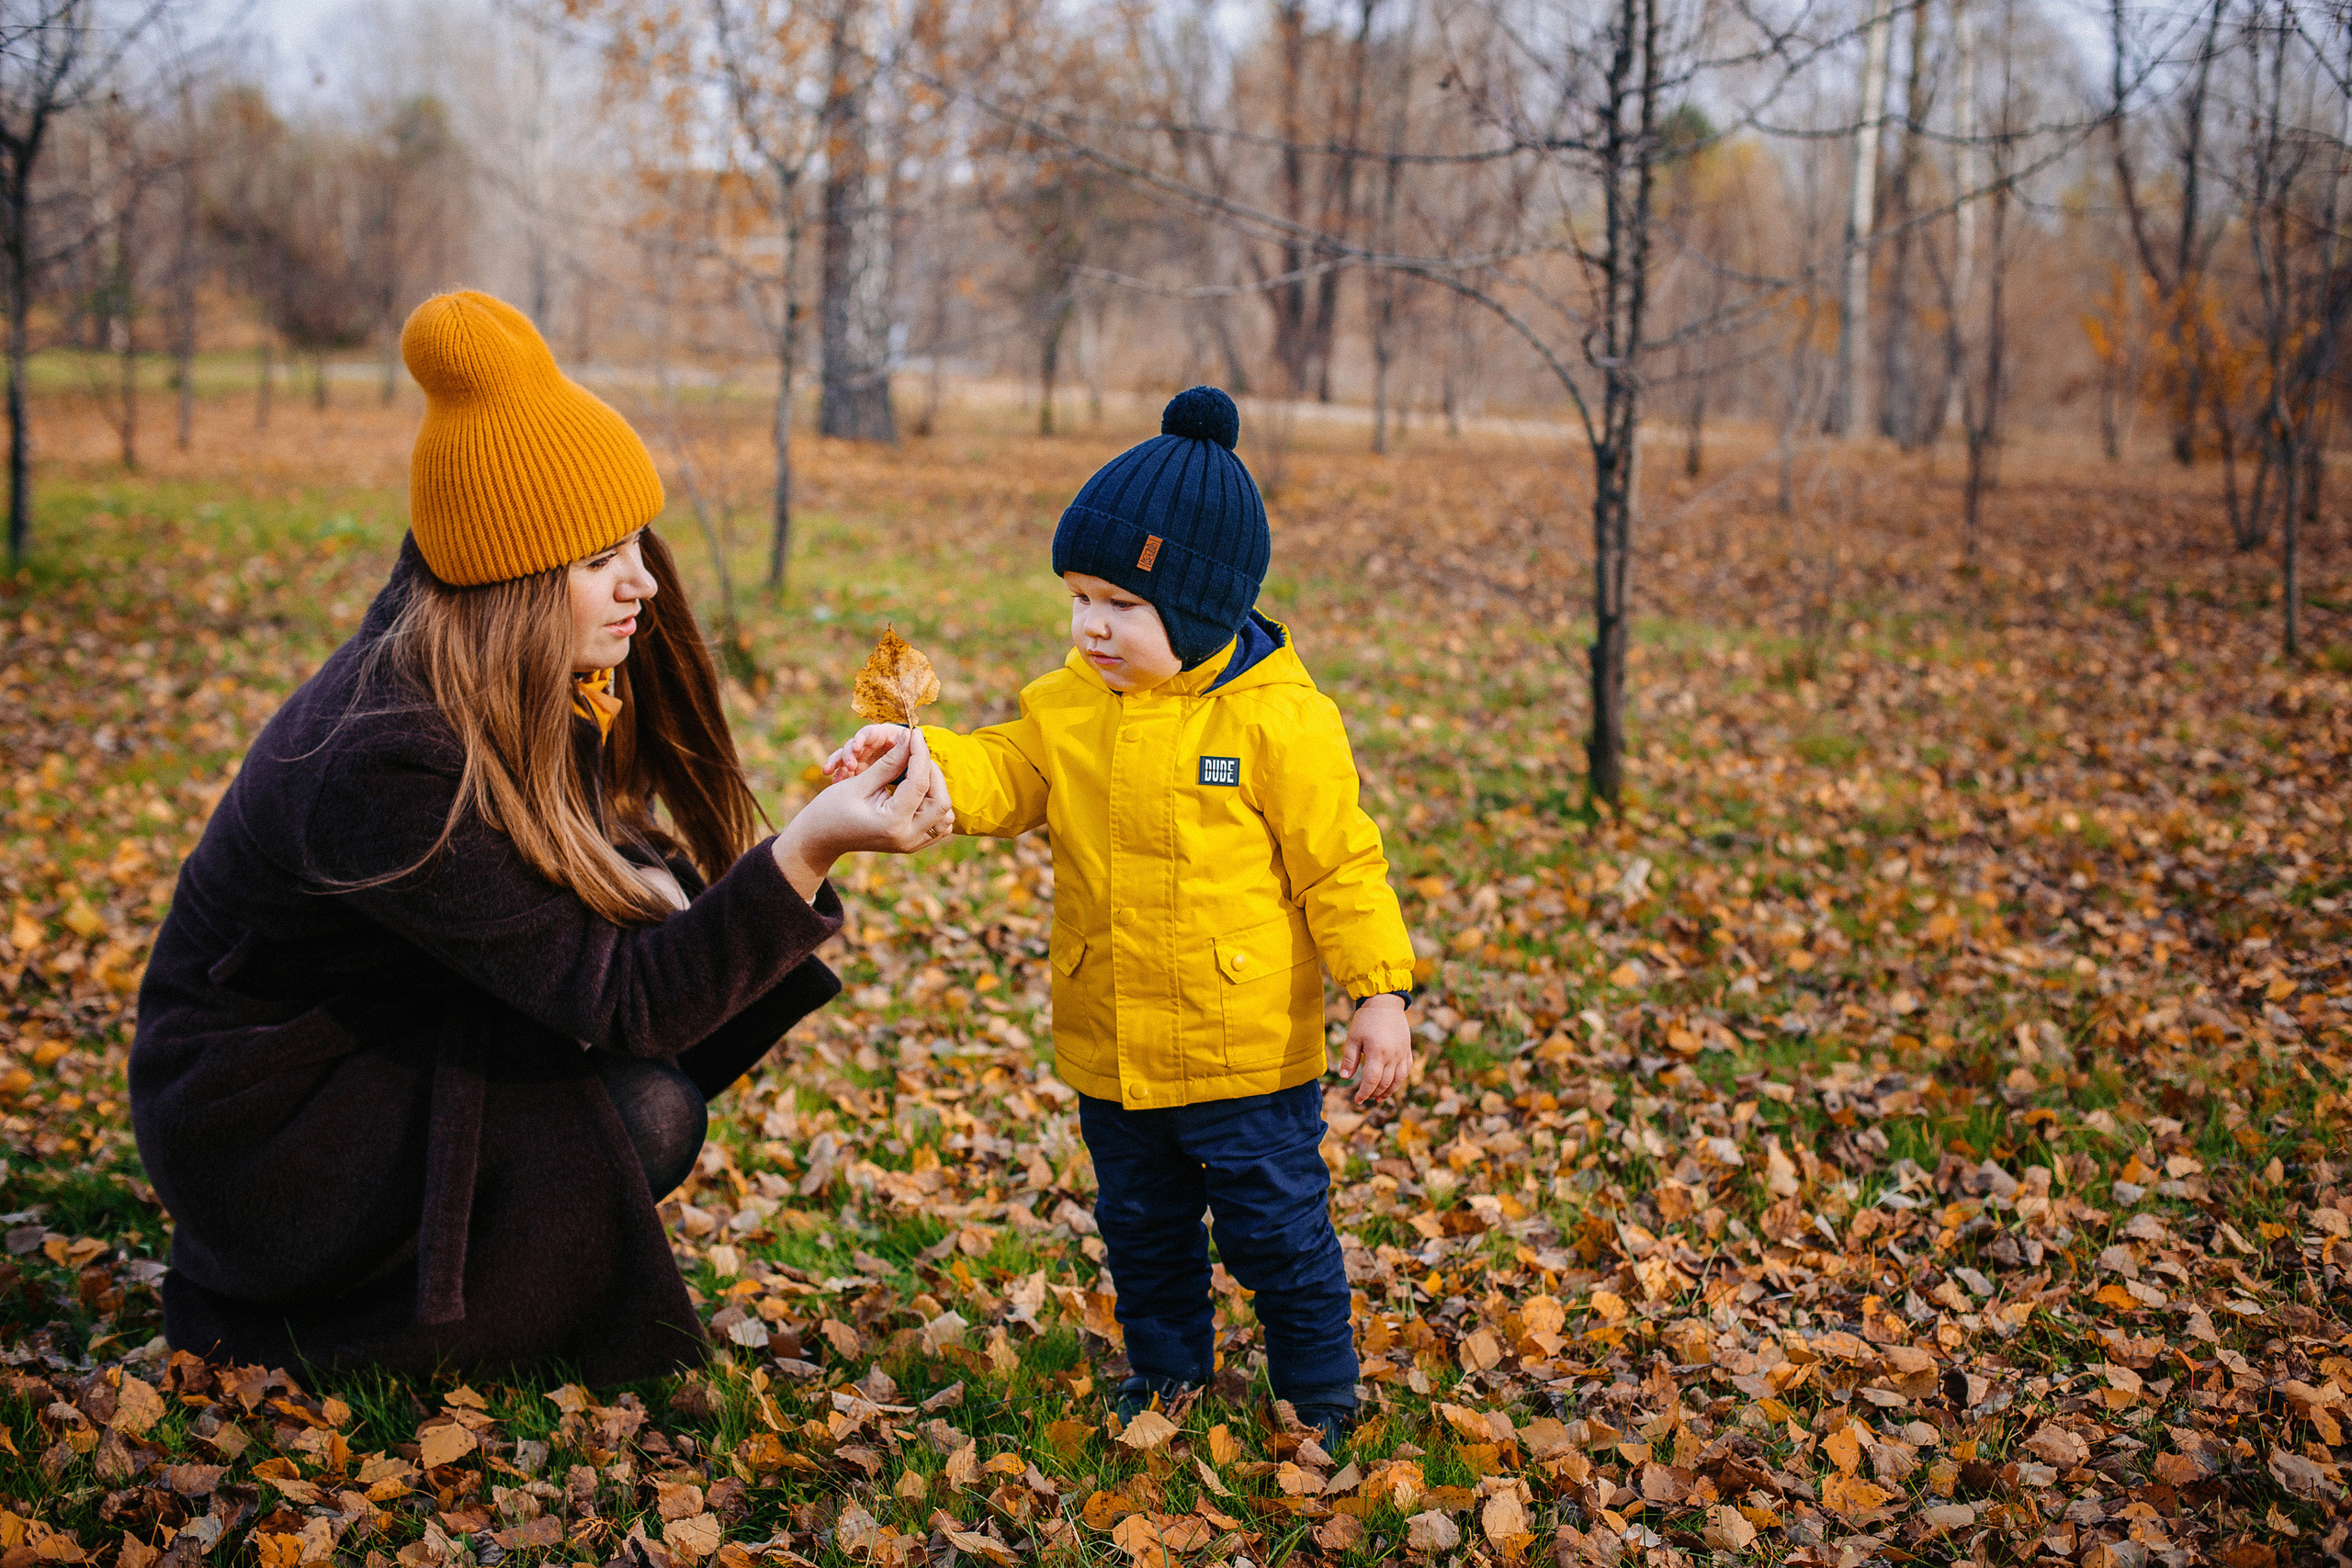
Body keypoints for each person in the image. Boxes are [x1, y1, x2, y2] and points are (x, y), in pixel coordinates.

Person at [130, 291, 954, 1382]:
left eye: (637, 544)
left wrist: (698, 875)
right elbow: (623, 1000)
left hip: (377, 1037)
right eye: (600, 558)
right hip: (267, 1126)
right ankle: (305, 1330)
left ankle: (449, 1277)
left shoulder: (495, 675)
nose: (644, 583)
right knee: (645, 1111)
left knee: (637, 1088)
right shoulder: (383, 754)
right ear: (513, 578)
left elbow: (569, 910)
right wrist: (803, 851)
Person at [825, 387, 1415, 1446]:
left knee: (1276, 1234)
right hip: (1115, 1043)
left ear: (1198, 611)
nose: (1090, 625)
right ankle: (1167, 1376)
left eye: (1120, 606)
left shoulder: (1281, 721)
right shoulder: (1071, 703)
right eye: (1078, 597)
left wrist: (1378, 992)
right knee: (1141, 1231)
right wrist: (921, 757)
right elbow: (1008, 770)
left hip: (1248, 1055)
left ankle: (1318, 1395)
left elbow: (1341, 865)